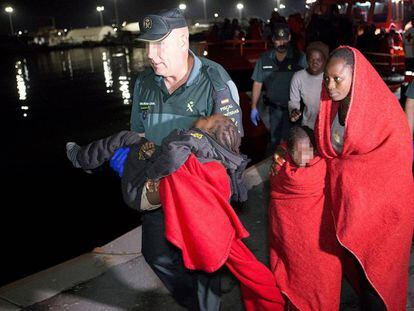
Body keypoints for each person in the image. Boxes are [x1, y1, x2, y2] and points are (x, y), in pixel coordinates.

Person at [66, 114, 285, 311]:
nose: (203, 118)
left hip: (140, 191)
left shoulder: (189, 153)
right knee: (164, 256)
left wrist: (151, 161)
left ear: (207, 134)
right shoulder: (219, 161)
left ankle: (83, 159)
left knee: (126, 138)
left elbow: (171, 155)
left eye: (207, 119)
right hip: (167, 198)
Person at [108, 8, 243, 311]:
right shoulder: (144, 82)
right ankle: (193, 302)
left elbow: (231, 146)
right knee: (155, 253)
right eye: (147, 44)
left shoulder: (214, 81)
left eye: (159, 44)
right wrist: (132, 154)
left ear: (183, 41)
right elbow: (140, 132)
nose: (150, 54)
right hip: (158, 185)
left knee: (203, 262)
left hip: (200, 192)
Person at [271, 46, 414, 310]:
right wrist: (286, 151)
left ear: (356, 77)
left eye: (338, 79)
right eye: (327, 78)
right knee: (359, 269)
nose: (331, 85)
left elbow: (393, 166)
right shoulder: (330, 106)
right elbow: (320, 144)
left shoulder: (385, 114)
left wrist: (352, 175)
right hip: (350, 205)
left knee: (377, 281)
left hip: (383, 211)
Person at [268, 126, 342, 310]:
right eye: (297, 151)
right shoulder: (321, 167)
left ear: (315, 148)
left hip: (318, 242)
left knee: (322, 280)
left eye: (307, 150)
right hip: (295, 238)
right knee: (302, 277)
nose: (302, 157)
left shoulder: (278, 164)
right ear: (289, 149)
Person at [250, 23, 307, 149]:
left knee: (294, 142)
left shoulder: (299, 58)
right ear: (273, 40)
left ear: (290, 38)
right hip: (274, 109)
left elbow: (309, 81)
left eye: (284, 39)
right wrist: (253, 107)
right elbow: (258, 82)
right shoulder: (265, 58)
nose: (282, 43)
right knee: (274, 141)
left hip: (295, 111)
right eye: (278, 40)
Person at [288, 41, 329, 129]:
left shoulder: (330, 77)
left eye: (319, 60)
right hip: (308, 125)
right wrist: (294, 111)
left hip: (328, 126)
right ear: (306, 59)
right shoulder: (298, 77)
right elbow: (294, 101)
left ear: (325, 61)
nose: (314, 63)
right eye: (311, 59)